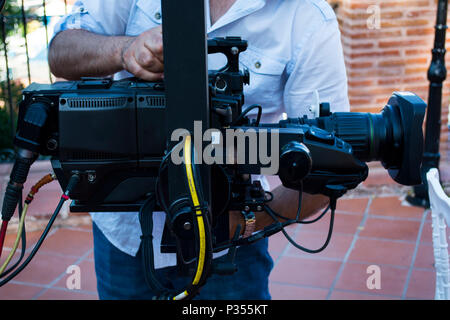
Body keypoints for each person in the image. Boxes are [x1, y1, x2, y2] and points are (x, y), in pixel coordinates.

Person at [48, 0, 350, 300]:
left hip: (231, 249)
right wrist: (125, 51)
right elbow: (61, 53)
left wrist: (243, 224)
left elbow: (328, 166)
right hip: (126, 238)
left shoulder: (308, 15)